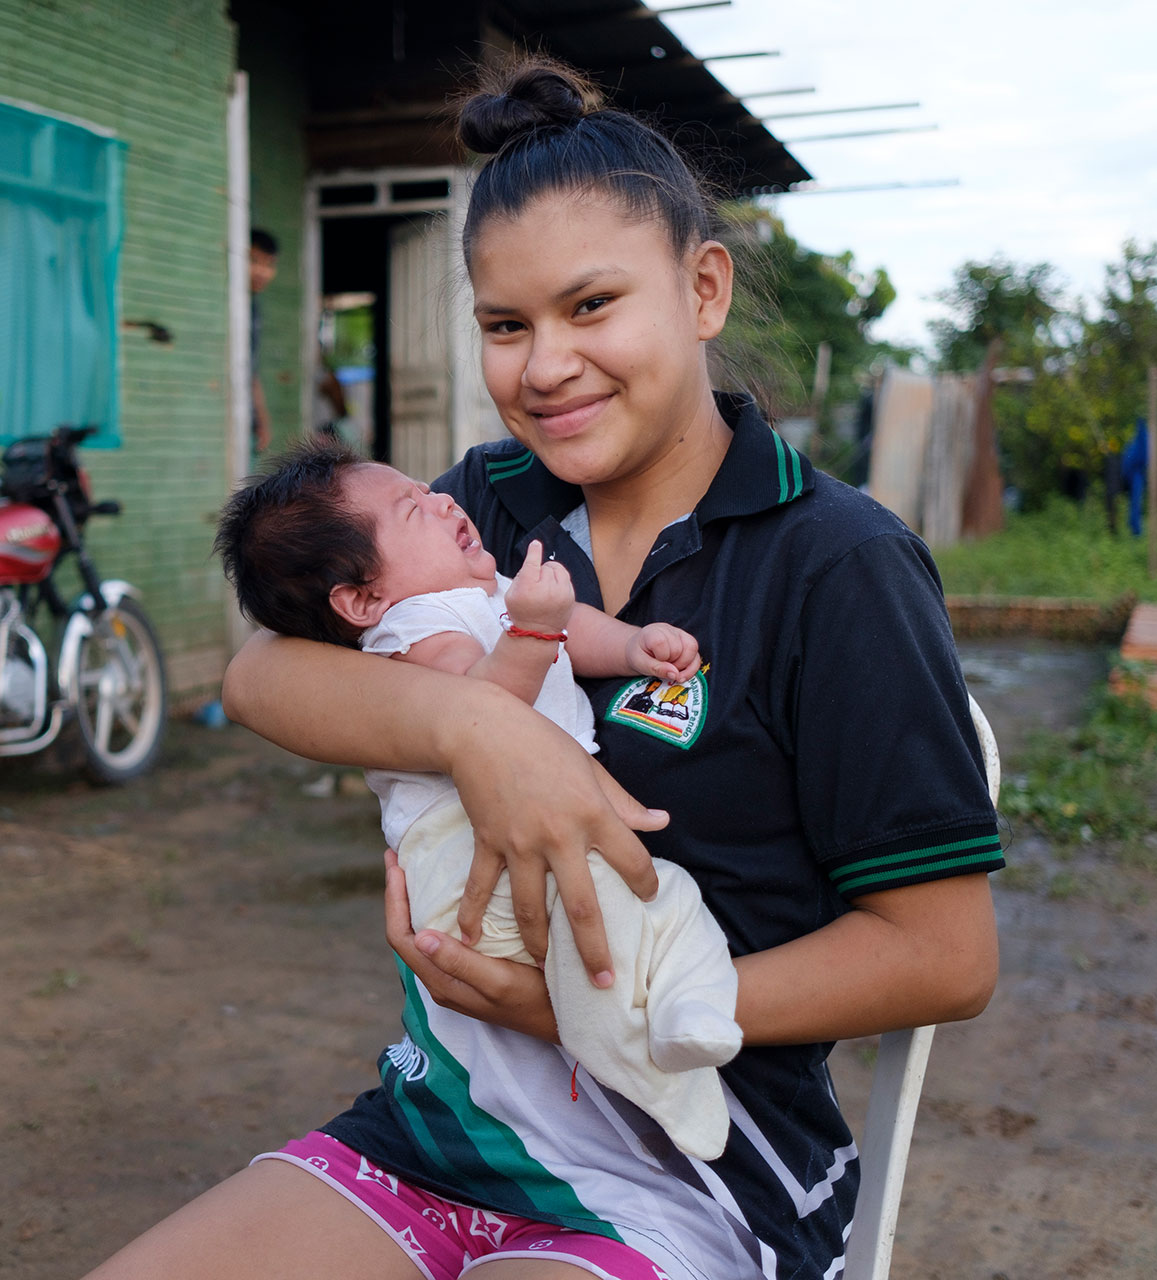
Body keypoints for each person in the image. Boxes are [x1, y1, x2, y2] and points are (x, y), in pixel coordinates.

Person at [87, 55, 1000, 1280]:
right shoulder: (479, 504)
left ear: (704, 289)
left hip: (694, 1169)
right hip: (441, 1130)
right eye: (507, 326)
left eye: (591, 307)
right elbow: (261, 676)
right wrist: (482, 733)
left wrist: (603, 1011)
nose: (546, 365)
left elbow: (945, 952)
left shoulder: (835, 565)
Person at [215, 440, 743, 1160]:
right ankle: (656, 1074)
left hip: (529, 831)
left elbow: (572, 630)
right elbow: (485, 708)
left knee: (664, 903)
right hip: (467, 851)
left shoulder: (479, 589)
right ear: (363, 599)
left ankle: (688, 1014)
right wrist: (530, 628)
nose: (440, 499)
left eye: (427, 490)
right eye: (412, 507)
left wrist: (631, 648)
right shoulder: (414, 630)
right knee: (612, 935)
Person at [250, 228, 279, 456]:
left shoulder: (253, 308)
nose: (262, 271)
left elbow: (251, 368)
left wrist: (262, 418)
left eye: (269, 264)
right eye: (253, 261)